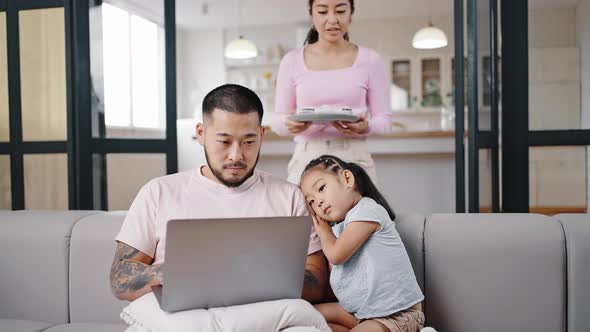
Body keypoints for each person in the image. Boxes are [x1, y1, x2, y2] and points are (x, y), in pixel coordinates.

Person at [109, 84, 328, 304]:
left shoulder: (289, 197)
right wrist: (171, 272)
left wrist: (247, 277)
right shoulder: (158, 193)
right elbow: (119, 279)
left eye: (249, 142)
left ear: (262, 135)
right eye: (224, 141)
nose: (236, 155)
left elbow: (317, 283)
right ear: (201, 134)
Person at [299, 155, 424, 332]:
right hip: (364, 314)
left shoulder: (367, 210)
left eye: (321, 188)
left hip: (397, 315)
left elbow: (337, 255)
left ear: (347, 179)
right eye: (311, 201)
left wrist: (324, 232)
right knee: (305, 314)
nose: (317, 202)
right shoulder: (338, 230)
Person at [273, 0, 392, 185]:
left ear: (351, 14)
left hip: (355, 157)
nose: (332, 19)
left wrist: (366, 126)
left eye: (340, 11)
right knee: (304, 214)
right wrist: (290, 124)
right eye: (322, 11)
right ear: (311, 14)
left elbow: (384, 122)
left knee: (362, 214)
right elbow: (278, 124)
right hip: (306, 156)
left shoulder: (371, 60)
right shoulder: (291, 61)